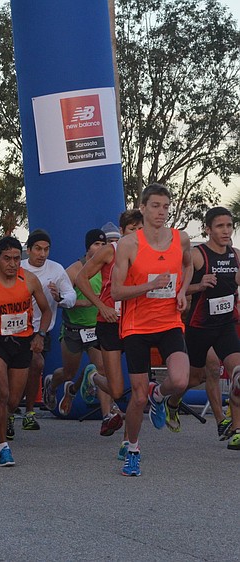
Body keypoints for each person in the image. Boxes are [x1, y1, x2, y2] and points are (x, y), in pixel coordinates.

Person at [111, 183, 192, 476]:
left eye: (165, 207)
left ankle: (160, 395)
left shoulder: (181, 239)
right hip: (136, 326)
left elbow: (189, 266)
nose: (161, 212)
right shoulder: (128, 245)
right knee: (138, 397)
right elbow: (116, 292)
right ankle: (132, 449)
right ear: (143, 208)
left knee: (180, 381)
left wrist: (182, 291)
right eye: (155, 206)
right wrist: (150, 286)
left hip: (169, 321)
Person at [0, 236, 51, 468]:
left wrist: (40, 335)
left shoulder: (30, 280)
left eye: (16, 258)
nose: (12, 264)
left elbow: (46, 311)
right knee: (3, 393)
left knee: (13, 401)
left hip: (22, 341)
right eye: (7, 259)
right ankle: (3, 447)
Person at [74, 210, 143, 459]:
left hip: (138, 324)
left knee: (139, 390)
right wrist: (101, 306)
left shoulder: (149, 254)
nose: (137, 234)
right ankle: (93, 376)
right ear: (122, 231)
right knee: (116, 390)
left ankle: (128, 441)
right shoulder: (109, 251)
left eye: (141, 229)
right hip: (110, 322)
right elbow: (81, 278)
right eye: (132, 229)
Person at [171, 207, 240, 445]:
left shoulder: (236, 255)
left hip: (226, 326)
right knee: (193, 378)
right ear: (208, 229)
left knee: (238, 374)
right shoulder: (198, 255)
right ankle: (172, 402)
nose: (226, 231)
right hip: (200, 327)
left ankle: (236, 430)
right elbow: (176, 288)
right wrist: (199, 286)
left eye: (229, 226)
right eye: (220, 226)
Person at [45, 229, 122, 437]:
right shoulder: (74, 270)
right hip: (74, 330)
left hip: (96, 329)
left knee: (102, 370)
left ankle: (106, 416)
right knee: (68, 373)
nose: (100, 248)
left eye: (103, 244)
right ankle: (54, 385)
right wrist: (85, 302)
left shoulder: (109, 268)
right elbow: (61, 302)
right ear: (88, 247)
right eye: (96, 244)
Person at [15, 229, 76, 436]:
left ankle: (29, 411)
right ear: (29, 249)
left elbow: (71, 296)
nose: (42, 254)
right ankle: (6, 406)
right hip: (14, 328)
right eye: (38, 249)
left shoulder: (56, 269)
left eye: (46, 249)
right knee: (14, 372)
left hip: (40, 330)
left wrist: (60, 298)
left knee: (36, 366)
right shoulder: (18, 267)